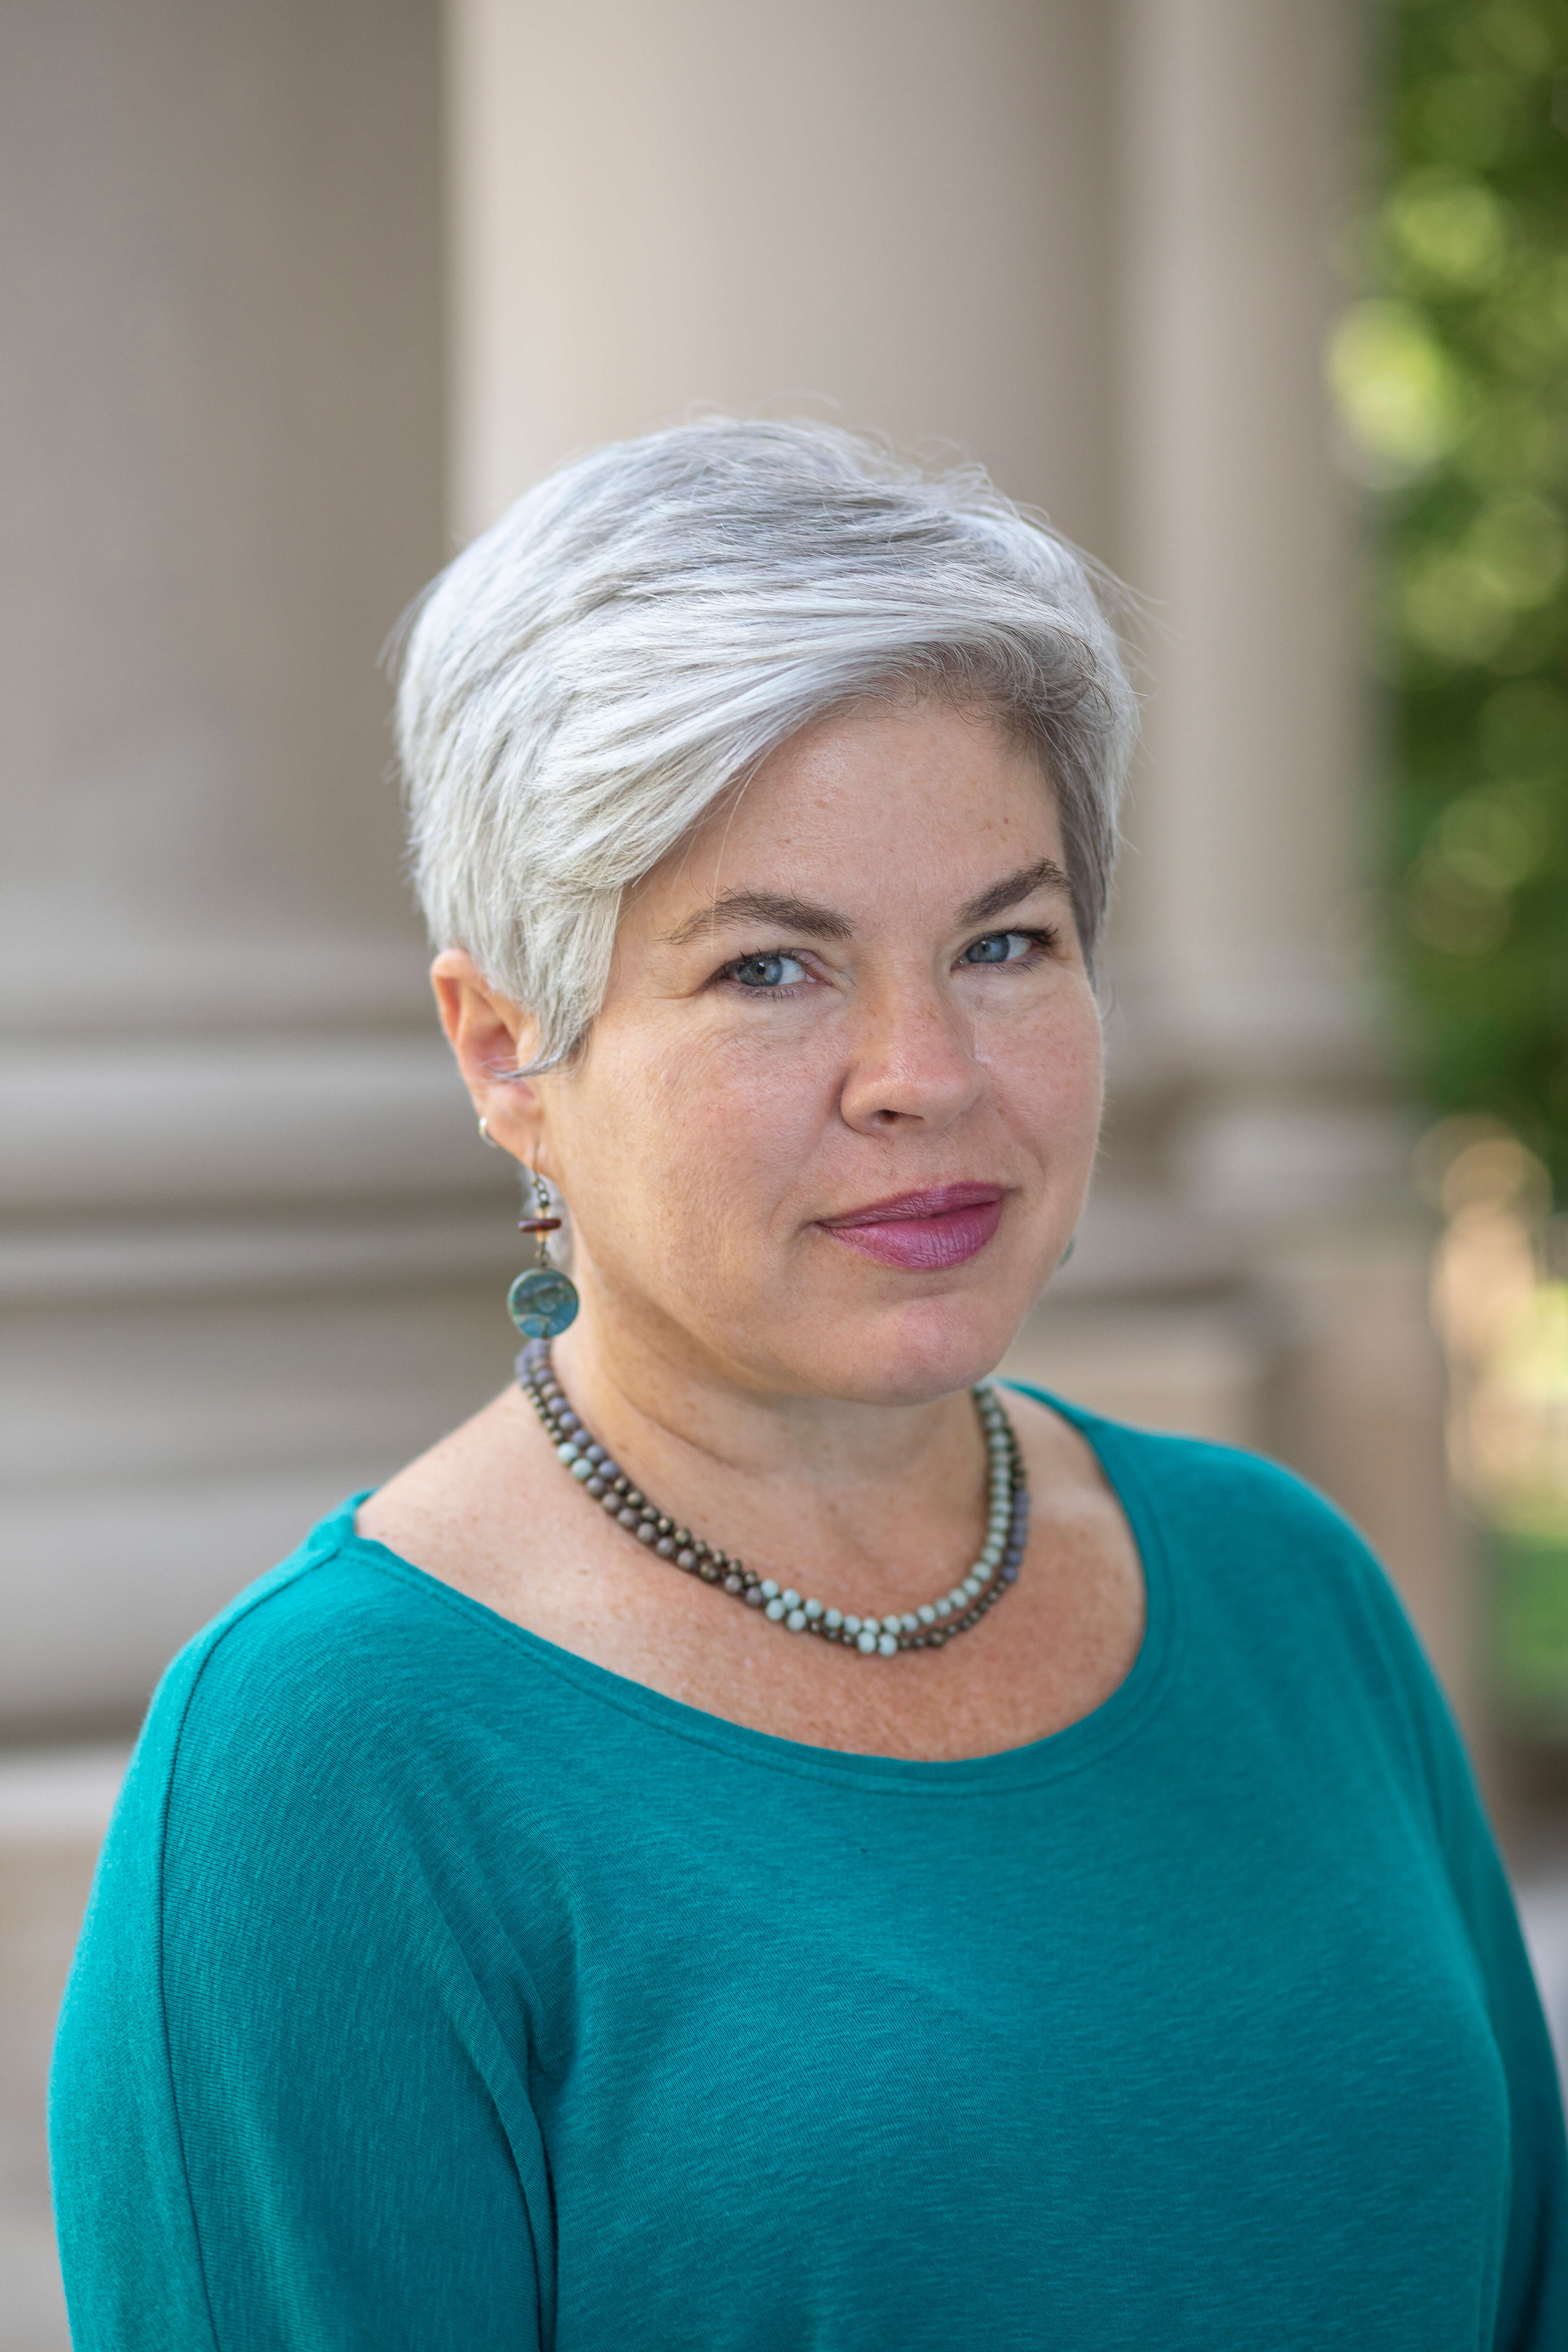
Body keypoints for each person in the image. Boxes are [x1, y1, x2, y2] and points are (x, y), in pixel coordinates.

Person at [51, 421, 1566, 2349]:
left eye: (1006, 942)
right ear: (507, 1048)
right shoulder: (324, 1768)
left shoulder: (1284, 1585)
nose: (926, 1072)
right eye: (773, 969)